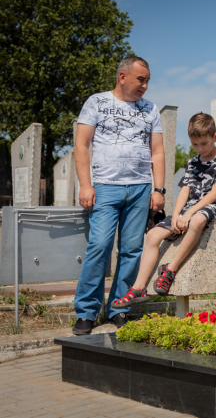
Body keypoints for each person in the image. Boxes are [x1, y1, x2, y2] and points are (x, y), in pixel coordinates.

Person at [73, 56, 165, 335]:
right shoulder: (96, 102)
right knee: (99, 246)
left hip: (140, 188)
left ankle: (119, 308)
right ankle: (86, 312)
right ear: (122, 76)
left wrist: (158, 189)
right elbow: (81, 144)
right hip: (105, 186)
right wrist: (85, 185)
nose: (145, 86)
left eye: (147, 81)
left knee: (131, 250)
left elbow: (157, 151)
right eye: (141, 79)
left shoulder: (150, 108)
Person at [112, 113, 216, 308]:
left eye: (204, 143)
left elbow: (213, 195)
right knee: (153, 235)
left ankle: (170, 269)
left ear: (215, 136)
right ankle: (138, 288)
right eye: (195, 144)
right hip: (191, 207)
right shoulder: (193, 162)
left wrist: (188, 214)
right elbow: (184, 191)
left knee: (197, 220)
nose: (200, 148)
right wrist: (177, 214)